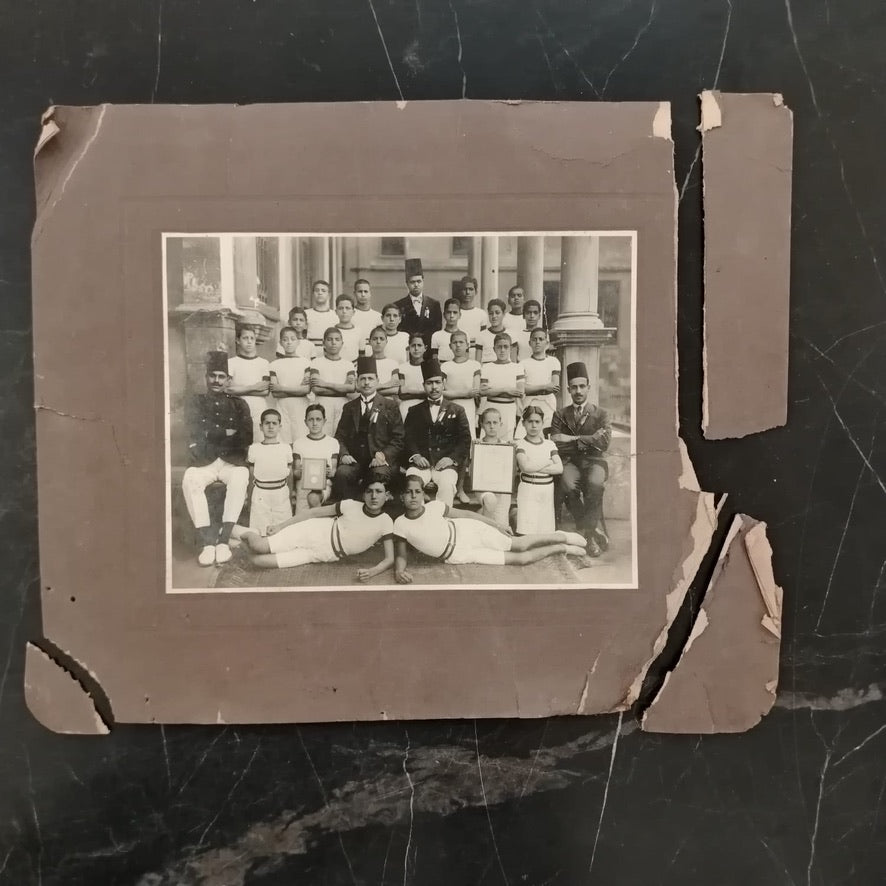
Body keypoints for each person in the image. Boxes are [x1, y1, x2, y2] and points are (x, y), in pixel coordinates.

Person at [393, 475, 587, 582]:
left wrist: (498, 525)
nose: (413, 496)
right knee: (520, 560)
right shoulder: (400, 523)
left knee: (518, 545)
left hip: (467, 531)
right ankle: (562, 548)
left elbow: (468, 515)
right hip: (457, 556)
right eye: (408, 493)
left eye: (417, 492)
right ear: (401, 497)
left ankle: (561, 536)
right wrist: (399, 571)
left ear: (423, 495)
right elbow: (401, 555)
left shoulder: (434, 506)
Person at [238, 478, 395, 583]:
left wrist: (372, 572)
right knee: (258, 547)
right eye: (369, 491)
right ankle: (239, 532)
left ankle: (238, 539)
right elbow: (312, 512)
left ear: (387, 496)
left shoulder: (386, 521)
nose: (374, 496)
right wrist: (280, 526)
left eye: (379, 491)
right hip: (313, 532)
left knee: (257, 561)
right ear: (364, 494)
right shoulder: (351, 505)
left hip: (321, 554)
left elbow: (389, 559)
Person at [181, 350, 252, 566]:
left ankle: (223, 540)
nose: (216, 381)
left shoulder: (239, 404)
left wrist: (210, 433)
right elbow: (193, 430)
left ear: (228, 380)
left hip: (232, 461)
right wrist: (227, 432)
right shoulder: (195, 402)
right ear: (206, 377)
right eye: (213, 376)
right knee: (190, 478)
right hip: (205, 461)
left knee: (241, 476)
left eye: (222, 376)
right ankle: (207, 542)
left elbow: (246, 435)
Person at [550, 361, 612, 557]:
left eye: (582, 386)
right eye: (574, 387)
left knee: (595, 483)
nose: (578, 391)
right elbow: (556, 443)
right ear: (568, 389)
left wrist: (572, 439)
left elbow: (603, 443)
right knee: (568, 484)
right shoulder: (560, 414)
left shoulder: (602, 414)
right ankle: (591, 532)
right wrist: (589, 438)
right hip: (569, 462)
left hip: (595, 461)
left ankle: (587, 533)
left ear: (588, 387)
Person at [403, 359, 472, 508]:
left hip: (445, 465)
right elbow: (407, 438)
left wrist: (451, 459)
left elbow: (465, 440)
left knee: (447, 485)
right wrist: (416, 456)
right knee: (412, 482)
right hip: (422, 464)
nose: (434, 387)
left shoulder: (457, 410)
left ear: (443, 383)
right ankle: (417, 521)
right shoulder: (414, 411)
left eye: (437, 382)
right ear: (424, 386)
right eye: (429, 383)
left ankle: (442, 522)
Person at [333, 356, 404, 501]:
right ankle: (349, 508)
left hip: (380, 461)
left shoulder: (390, 406)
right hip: (355, 461)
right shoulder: (349, 407)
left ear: (377, 380)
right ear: (357, 382)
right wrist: (345, 454)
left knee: (379, 474)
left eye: (370, 378)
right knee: (342, 473)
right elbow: (340, 437)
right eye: (363, 379)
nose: (366, 382)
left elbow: (399, 438)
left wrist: (383, 455)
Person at [515, 404, 562, 534]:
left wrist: (534, 466)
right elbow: (525, 466)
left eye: (537, 422)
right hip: (528, 488)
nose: (534, 425)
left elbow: (559, 468)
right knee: (527, 530)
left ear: (542, 423)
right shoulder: (520, 443)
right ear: (523, 423)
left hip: (546, 489)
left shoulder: (549, 444)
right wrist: (547, 462)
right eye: (530, 421)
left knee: (545, 530)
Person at [246, 408, 293, 535]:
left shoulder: (286, 448)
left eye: (274, 423)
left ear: (280, 426)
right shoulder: (254, 448)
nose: (271, 427)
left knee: (283, 532)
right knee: (260, 532)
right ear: (261, 427)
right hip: (260, 494)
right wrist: (250, 498)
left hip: (281, 494)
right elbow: (251, 476)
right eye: (267, 423)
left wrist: (289, 494)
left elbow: (290, 475)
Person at [227, 324, 271, 443]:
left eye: (252, 338)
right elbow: (228, 390)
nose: (249, 342)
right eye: (245, 338)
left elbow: (265, 391)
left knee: (259, 443)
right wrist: (254, 387)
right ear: (237, 340)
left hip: (259, 409)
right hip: (238, 409)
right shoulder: (231, 363)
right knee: (240, 446)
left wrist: (239, 389)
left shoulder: (263, 363)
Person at [269, 326, 312, 444]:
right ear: (280, 343)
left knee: (301, 438)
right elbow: (275, 392)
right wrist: (296, 389)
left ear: (298, 342)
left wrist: (282, 387)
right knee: (284, 439)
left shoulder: (306, 363)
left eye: (293, 339)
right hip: (282, 406)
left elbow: (306, 390)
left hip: (301, 405)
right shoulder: (274, 364)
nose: (289, 342)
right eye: (285, 339)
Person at [292, 403, 339, 511]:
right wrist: (300, 470)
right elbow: (296, 472)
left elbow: (333, 470)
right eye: (311, 420)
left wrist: (329, 472)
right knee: (301, 519)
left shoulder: (332, 442)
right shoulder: (298, 443)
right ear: (305, 422)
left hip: (323, 486)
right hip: (303, 485)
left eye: (318, 419)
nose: (314, 423)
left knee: (313, 498)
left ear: (324, 421)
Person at [479, 332, 525, 441]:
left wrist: (493, 390)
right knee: (488, 439)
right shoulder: (487, 367)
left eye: (506, 347)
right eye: (499, 347)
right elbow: (483, 391)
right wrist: (506, 389)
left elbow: (519, 391)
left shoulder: (517, 367)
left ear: (510, 348)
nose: (502, 350)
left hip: (509, 408)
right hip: (490, 407)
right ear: (494, 349)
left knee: (507, 441)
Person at [310, 327, 356, 436]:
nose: (333, 343)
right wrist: (342, 388)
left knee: (341, 436)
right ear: (324, 343)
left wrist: (325, 384)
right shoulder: (316, 362)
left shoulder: (348, 364)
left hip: (343, 404)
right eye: (330, 339)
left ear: (342, 343)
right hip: (322, 403)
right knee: (322, 435)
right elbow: (316, 389)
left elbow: (351, 388)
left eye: (337, 339)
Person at [518, 327, 561, 435]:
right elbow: (522, 389)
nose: (537, 342)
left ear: (547, 342)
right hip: (529, 404)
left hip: (548, 404)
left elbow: (554, 387)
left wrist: (532, 388)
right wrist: (544, 387)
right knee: (523, 434)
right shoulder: (523, 363)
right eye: (534, 339)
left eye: (541, 339)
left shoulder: (553, 361)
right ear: (529, 343)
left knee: (547, 436)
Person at [476, 407, 513, 529]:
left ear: (500, 424)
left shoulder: (507, 446)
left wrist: (512, 452)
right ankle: (482, 527)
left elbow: (510, 472)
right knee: (490, 500)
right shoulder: (477, 444)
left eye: (495, 423)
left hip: (502, 489)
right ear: (481, 424)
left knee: (502, 525)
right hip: (483, 487)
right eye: (488, 423)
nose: (492, 426)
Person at [394, 258, 442, 348]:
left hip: (428, 350)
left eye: (419, 281)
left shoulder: (434, 304)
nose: (416, 285)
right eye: (412, 282)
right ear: (407, 284)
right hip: (407, 348)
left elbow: (437, 330)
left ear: (423, 281)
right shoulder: (398, 305)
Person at [397, 333, 428, 421]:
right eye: (413, 345)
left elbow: (430, 393)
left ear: (425, 348)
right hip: (406, 406)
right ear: (409, 348)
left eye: (419, 345)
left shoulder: (429, 366)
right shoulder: (402, 367)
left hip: (425, 406)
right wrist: (422, 393)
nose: (416, 348)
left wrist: (410, 392)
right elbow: (402, 394)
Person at [456, 275, 487, 362]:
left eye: (471, 289)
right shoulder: (454, 313)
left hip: (476, 355)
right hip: (457, 354)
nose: (467, 292)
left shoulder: (481, 314)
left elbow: (483, 339)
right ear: (460, 291)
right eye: (464, 289)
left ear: (476, 292)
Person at [365, 325, 401, 397]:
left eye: (381, 339)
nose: (378, 342)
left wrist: (373, 390)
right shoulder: (365, 362)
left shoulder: (393, 363)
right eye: (375, 339)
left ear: (386, 341)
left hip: (387, 401)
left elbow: (395, 389)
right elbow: (362, 388)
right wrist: (385, 385)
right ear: (369, 341)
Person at [477, 298, 509, 363]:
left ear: (503, 314)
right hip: (487, 370)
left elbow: (513, 362)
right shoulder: (481, 335)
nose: (494, 316)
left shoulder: (510, 334)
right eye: (491, 313)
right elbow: (477, 363)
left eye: (497, 313)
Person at [304, 279, 334, 346]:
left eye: (323, 291)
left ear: (329, 295)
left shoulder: (335, 315)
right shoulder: (305, 314)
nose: (320, 293)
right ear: (313, 294)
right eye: (317, 290)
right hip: (310, 351)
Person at [352, 278, 382, 344]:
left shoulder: (378, 317)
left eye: (365, 291)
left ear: (370, 293)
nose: (363, 295)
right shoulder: (349, 315)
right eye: (360, 291)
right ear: (354, 294)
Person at [334, 293, 362, 362]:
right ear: (336, 311)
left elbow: (361, 357)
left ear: (353, 312)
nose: (344, 311)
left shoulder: (359, 332)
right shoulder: (331, 331)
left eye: (347, 308)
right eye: (341, 308)